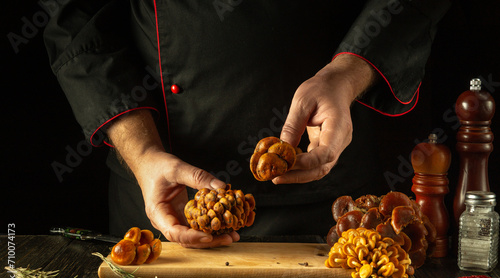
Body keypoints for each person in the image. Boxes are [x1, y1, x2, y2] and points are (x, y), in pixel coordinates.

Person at [44, 0, 450, 248]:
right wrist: (143, 152)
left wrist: (347, 73)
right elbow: (75, 19)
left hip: (326, 198)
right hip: (161, 196)